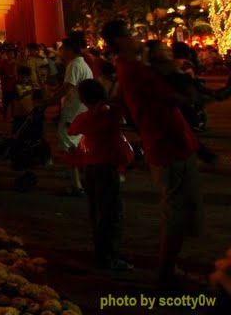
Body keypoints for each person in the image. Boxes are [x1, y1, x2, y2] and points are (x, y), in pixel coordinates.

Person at [101, 20, 201, 292]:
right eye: (131, 34)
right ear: (120, 41)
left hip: (171, 141)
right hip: (168, 144)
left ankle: (170, 267)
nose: (136, 39)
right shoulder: (135, 69)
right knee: (175, 213)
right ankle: (166, 272)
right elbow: (182, 97)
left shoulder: (129, 68)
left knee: (181, 209)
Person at [68, 78, 134, 271]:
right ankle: (109, 257)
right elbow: (122, 103)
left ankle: (103, 253)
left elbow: (73, 129)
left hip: (90, 168)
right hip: (107, 168)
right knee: (111, 214)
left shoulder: (84, 118)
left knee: (96, 212)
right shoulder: (110, 114)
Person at [41, 37, 94, 196]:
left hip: (73, 111)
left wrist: (50, 100)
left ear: (71, 49)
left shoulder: (75, 65)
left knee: (70, 146)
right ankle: (84, 179)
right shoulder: (82, 64)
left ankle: (76, 185)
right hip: (81, 109)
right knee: (78, 145)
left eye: (63, 48)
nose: (61, 51)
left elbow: (67, 87)